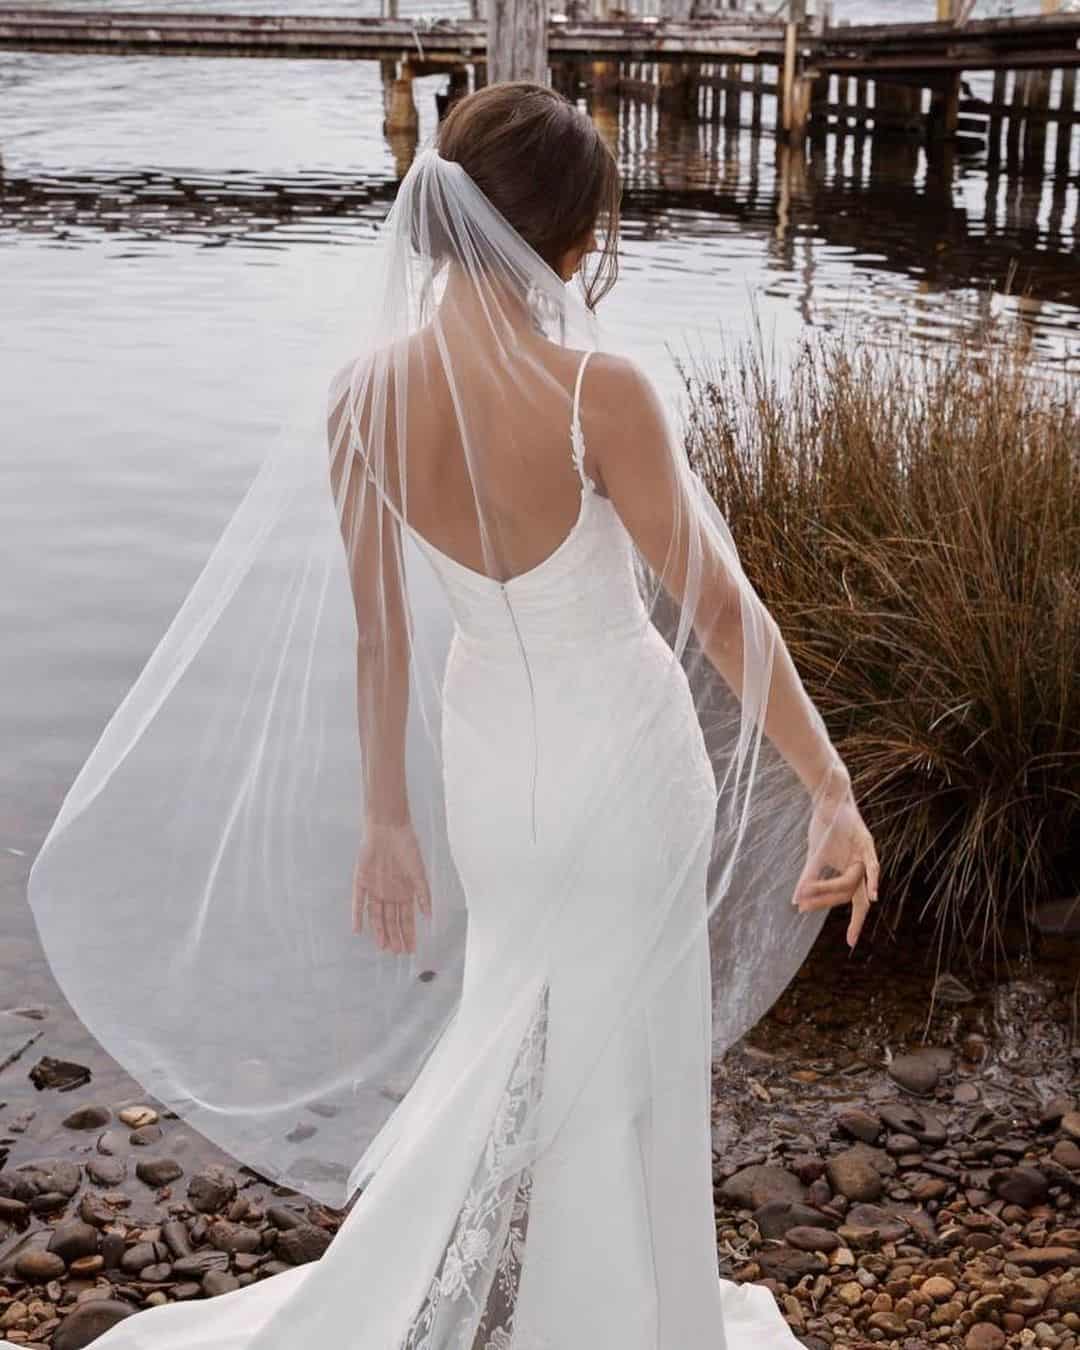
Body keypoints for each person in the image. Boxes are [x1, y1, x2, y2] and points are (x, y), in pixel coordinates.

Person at [12, 82, 878, 1349]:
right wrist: (832, 791)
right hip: (623, 763)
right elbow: (725, 618)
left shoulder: (360, 397)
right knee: (624, 1061)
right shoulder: (601, 393)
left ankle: (479, 1296)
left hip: (490, 771)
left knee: (507, 1024)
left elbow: (380, 634)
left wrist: (385, 821)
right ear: (573, 243)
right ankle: (623, 1323)